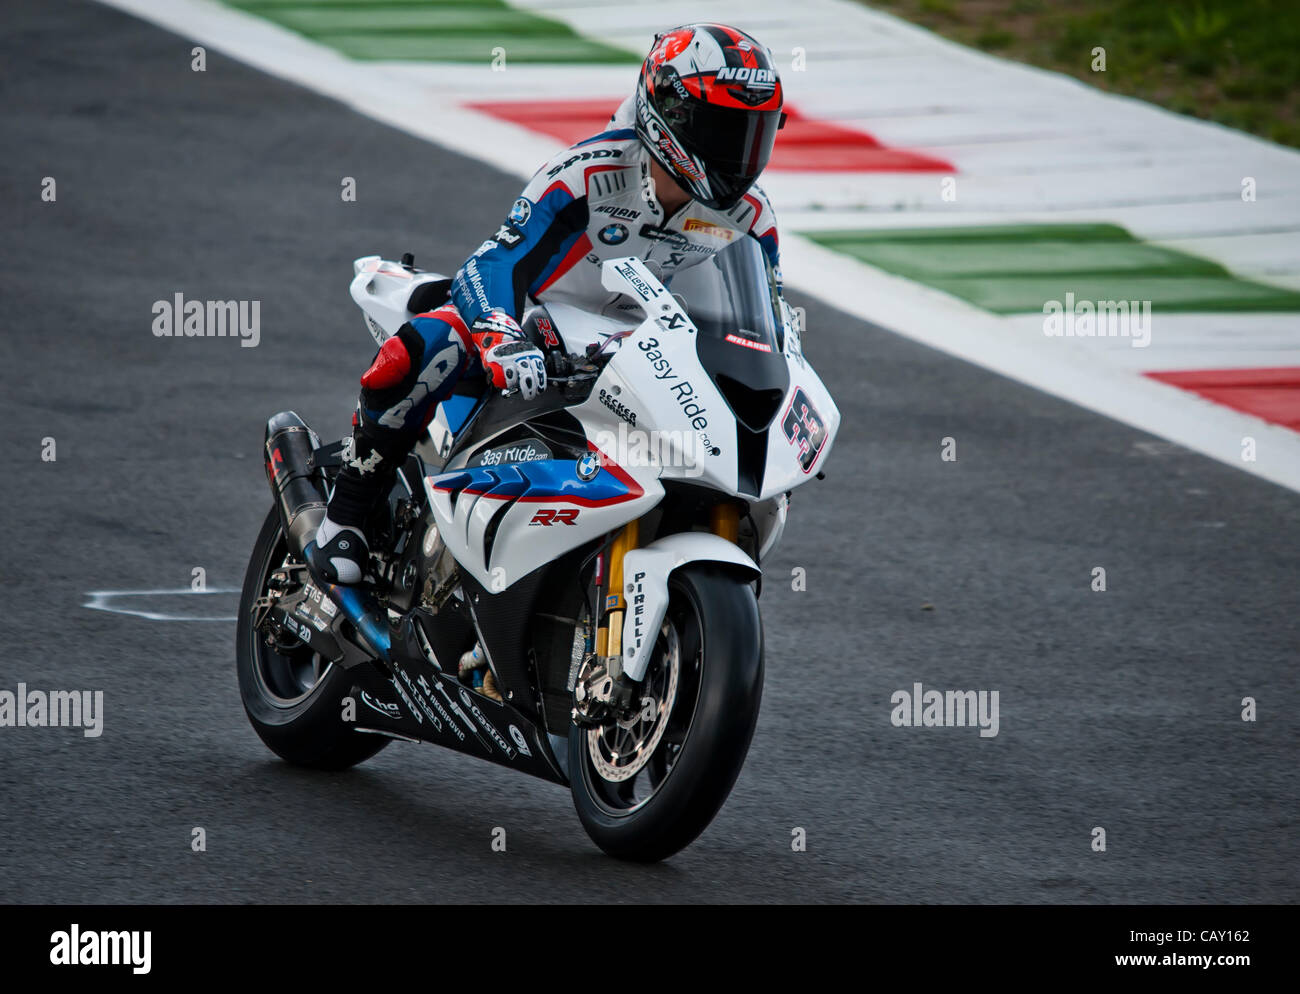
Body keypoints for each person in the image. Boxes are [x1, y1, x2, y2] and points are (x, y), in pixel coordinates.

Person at [311, 21, 787, 586]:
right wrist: (498, 333)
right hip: (535, 331)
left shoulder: (753, 220)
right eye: (726, 131)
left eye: (755, 133)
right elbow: (493, 263)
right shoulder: (590, 173)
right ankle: (348, 511)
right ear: (671, 117)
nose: (740, 155)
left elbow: (765, 324)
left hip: (644, 358)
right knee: (420, 348)